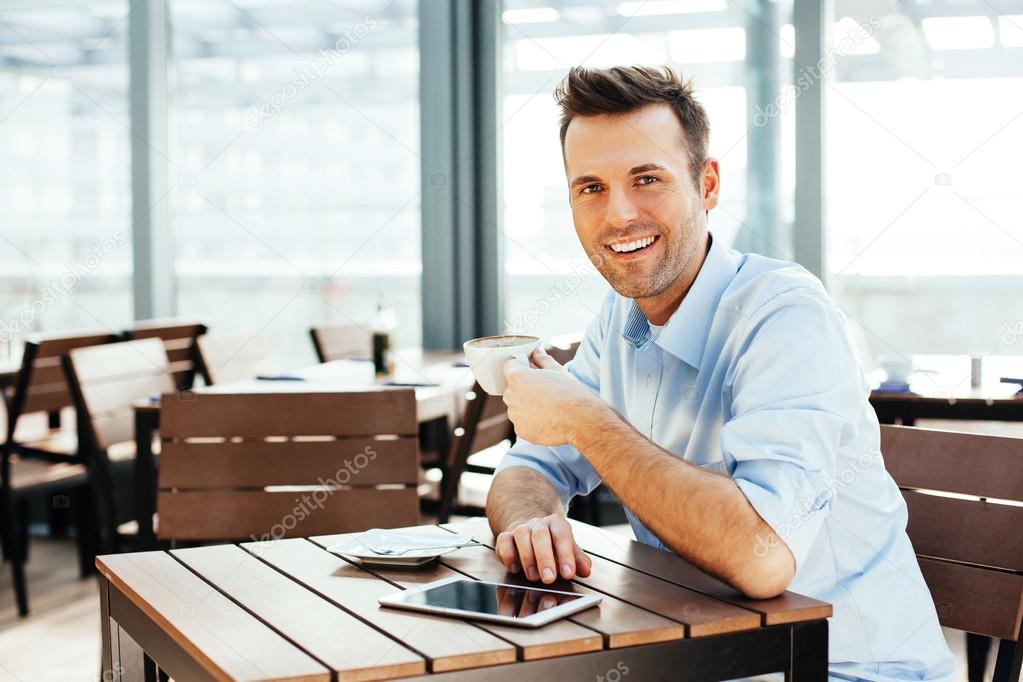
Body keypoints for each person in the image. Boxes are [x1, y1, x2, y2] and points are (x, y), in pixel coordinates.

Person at [485, 65, 954, 681]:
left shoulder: (785, 316)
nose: (619, 214)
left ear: (707, 184)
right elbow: (531, 467)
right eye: (590, 188)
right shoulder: (619, 318)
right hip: (700, 659)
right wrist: (530, 520)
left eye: (646, 178)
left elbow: (763, 559)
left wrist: (583, 418)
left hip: (843, 669)